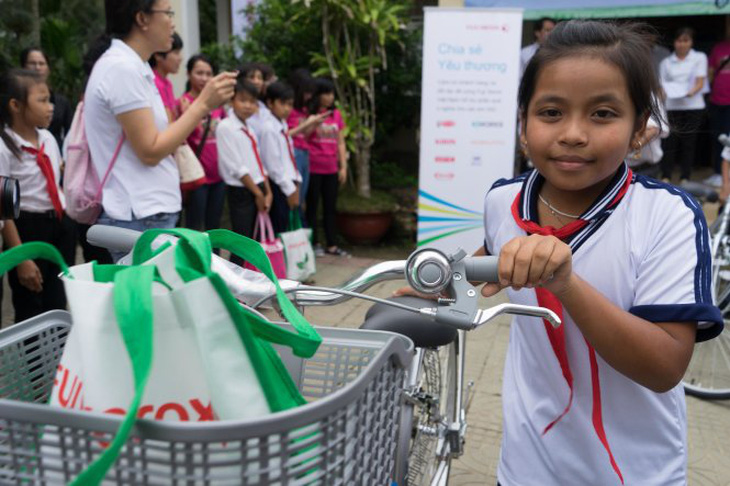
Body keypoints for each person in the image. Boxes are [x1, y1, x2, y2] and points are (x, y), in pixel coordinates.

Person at [426, 20, 721, 485]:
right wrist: (438, 285)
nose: (573, 134)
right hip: (525, 465)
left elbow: (665, 366)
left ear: (641, 129)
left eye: (602, 114)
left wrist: (566, 283)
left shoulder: (667, 216)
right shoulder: (503, 200)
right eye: (550, 112)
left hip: (635, 471)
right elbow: (491, 263)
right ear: (523, 123)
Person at [84, 0, 235, 261]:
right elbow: (150, 150)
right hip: (139, 216)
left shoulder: (136, 66)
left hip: (146, 214)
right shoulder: (122, 68)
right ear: (142, 19)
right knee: (146, 301)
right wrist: (202, 105)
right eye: (167, 13)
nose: (172, 22)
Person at [0, 69, 77, 322]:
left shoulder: (47, 139)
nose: (50, 107)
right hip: (27, 228)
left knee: (57, 300)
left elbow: (56, 182)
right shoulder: (4, 147)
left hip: (58, 223)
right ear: (15, 105)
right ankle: (35, 360)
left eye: (50, 100)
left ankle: (57, 359)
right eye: (42, 100)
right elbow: (3, 210)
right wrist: (20, 257)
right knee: (30, 304)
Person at [216, 77, 272, 264]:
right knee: (241, 242)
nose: (248, 106)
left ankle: (249, 281)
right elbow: (236, 167)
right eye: (243, 100)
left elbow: (258, 162)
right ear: (232, 100)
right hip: (242, 190)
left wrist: (267, 190)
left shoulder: (249, 127)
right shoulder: (226, 127)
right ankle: (236, 286)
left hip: (257, 188)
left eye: (252, 102)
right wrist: (258, 193)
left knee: (252, 240)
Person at [178, 54, 226, 231]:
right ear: (189, 74)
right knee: (194, 227)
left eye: (208, 73)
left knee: (215, 227)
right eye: (199, 73)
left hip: (218, 176)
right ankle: (195, 260)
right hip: (195, 177)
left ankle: (215, 259)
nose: (204, 78)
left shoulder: (218, 106)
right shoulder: (181, 104)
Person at [659, 27, 708, 183]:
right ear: (674, 42)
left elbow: (700, 82)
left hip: (693, 105)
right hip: (672, 106)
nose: (682, 44)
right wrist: (665, 94)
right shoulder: (666, 62)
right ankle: (666, 175)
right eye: (679, 40)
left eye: (685, 40)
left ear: (691, 42)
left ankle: (685, 176)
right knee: (669, 141)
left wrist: (689, 93)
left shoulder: (699, 57)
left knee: (689, 142)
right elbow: (661, 86)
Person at [306, 78, 348, 257]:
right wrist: (313, 122)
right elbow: (304, 136)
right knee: (312, 207)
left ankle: (332, 244)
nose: (329, 97)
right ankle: (314, 243)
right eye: (326, 93)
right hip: (313, 168)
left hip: (331, 168)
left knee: (330, 208)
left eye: (331, 93)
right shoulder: (309, 112)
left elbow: (340, 141)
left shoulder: (336, 114)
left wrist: (343, 167)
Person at [258, 81, 302, 233]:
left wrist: (296, 183)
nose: (287, 109)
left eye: (290, 104)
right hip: (279, 186)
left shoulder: (281, 124)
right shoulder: (268, 129)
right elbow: (273, 166)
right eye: (282, 104)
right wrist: (290, 189)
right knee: (279, 229)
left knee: (286, 229)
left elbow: (288, 158)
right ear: (270, 103)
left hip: (289, 183)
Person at [288, 70, 328, 215]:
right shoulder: (288, 109)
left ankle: (297, 231)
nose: (309, 96)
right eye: (306, 92)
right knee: (294, 197)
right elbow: (285, 135)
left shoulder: (303, 110)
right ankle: (291, 232)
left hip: (304, 153)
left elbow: (303, 135)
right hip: (293, 154)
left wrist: (315, 123)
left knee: (301, 196)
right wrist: (306, 124)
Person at [19, 48, 74, 151]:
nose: (37, 67)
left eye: (42, 63)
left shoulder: (62, 102)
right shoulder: (16, 100)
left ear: (48, 68)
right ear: (23, 67)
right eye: (32, 63)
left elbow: (71, 134)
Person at [707, 35, 730, 186]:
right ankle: (717, 173)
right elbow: (710, 72)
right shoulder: (719, 47)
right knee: (718, 137)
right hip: (716, 100)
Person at [149, 31, 183, 121]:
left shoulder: (167, 83)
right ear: (158, 55)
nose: (180, 58)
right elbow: (168, 123)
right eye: (176, 53)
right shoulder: (154, 83)